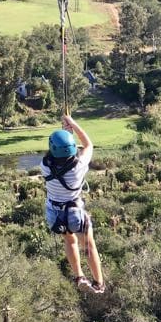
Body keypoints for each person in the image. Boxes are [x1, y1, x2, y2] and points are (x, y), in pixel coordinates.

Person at [42, 115, 105, 293]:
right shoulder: (79, 167)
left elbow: (55, 155)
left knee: (70, 241)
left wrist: (65, 133)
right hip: (75, 213)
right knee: (89, 245)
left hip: (55, 213)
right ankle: (98, 283)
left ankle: (79, 276)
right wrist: (73, 124)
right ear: (71, 150)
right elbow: (88, 145)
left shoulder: (44, 165)